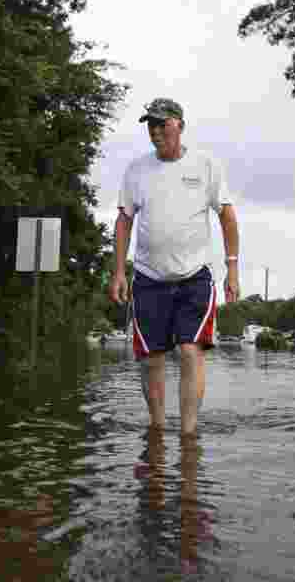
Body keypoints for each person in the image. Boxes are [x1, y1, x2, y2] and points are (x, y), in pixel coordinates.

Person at [108, 98, 240, 437]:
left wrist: (232, 269)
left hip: (194, 277)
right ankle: (156, 430)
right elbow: (124, 220)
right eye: (150, 125)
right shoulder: (137, 170)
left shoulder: (206, 166)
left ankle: (188, 435)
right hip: (149, 278)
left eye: (161, 123)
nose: (155, 131)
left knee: (188, 350)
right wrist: (119, 271)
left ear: (179, 124)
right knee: (152, 359)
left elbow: (226, 216)